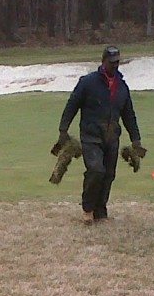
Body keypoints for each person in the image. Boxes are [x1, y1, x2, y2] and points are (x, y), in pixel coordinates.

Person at [56, 45, 145, 224]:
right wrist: (63, 130)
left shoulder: (122, 87)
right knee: (96, 170)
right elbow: (71, 105)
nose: (115, 66)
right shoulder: (88, 82)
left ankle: (100, 210)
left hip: (112, 137)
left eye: (117, 62)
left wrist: (136, 139)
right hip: (91, 136)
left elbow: (129, 114)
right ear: (103, 61)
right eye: (112, 62)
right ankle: (88, 209)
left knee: (109, 174)